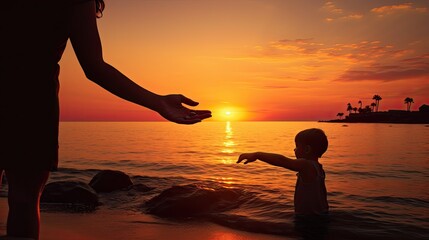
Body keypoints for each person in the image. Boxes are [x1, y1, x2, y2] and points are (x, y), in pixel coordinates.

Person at [0, 1, 211, 239]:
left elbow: (94, 68)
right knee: (24, 201)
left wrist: (158, 102)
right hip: (31, 105)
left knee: (24, 200)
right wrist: (157, 102)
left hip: (30, 105)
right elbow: (94, 67)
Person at [236, 128, 329, 216]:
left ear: (307, 149)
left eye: (297, 146)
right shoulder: (319, 168)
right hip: (320, 215)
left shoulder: (306, 165)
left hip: (309, 219)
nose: (294, 149)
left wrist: (257, 155)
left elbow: (282, 160)